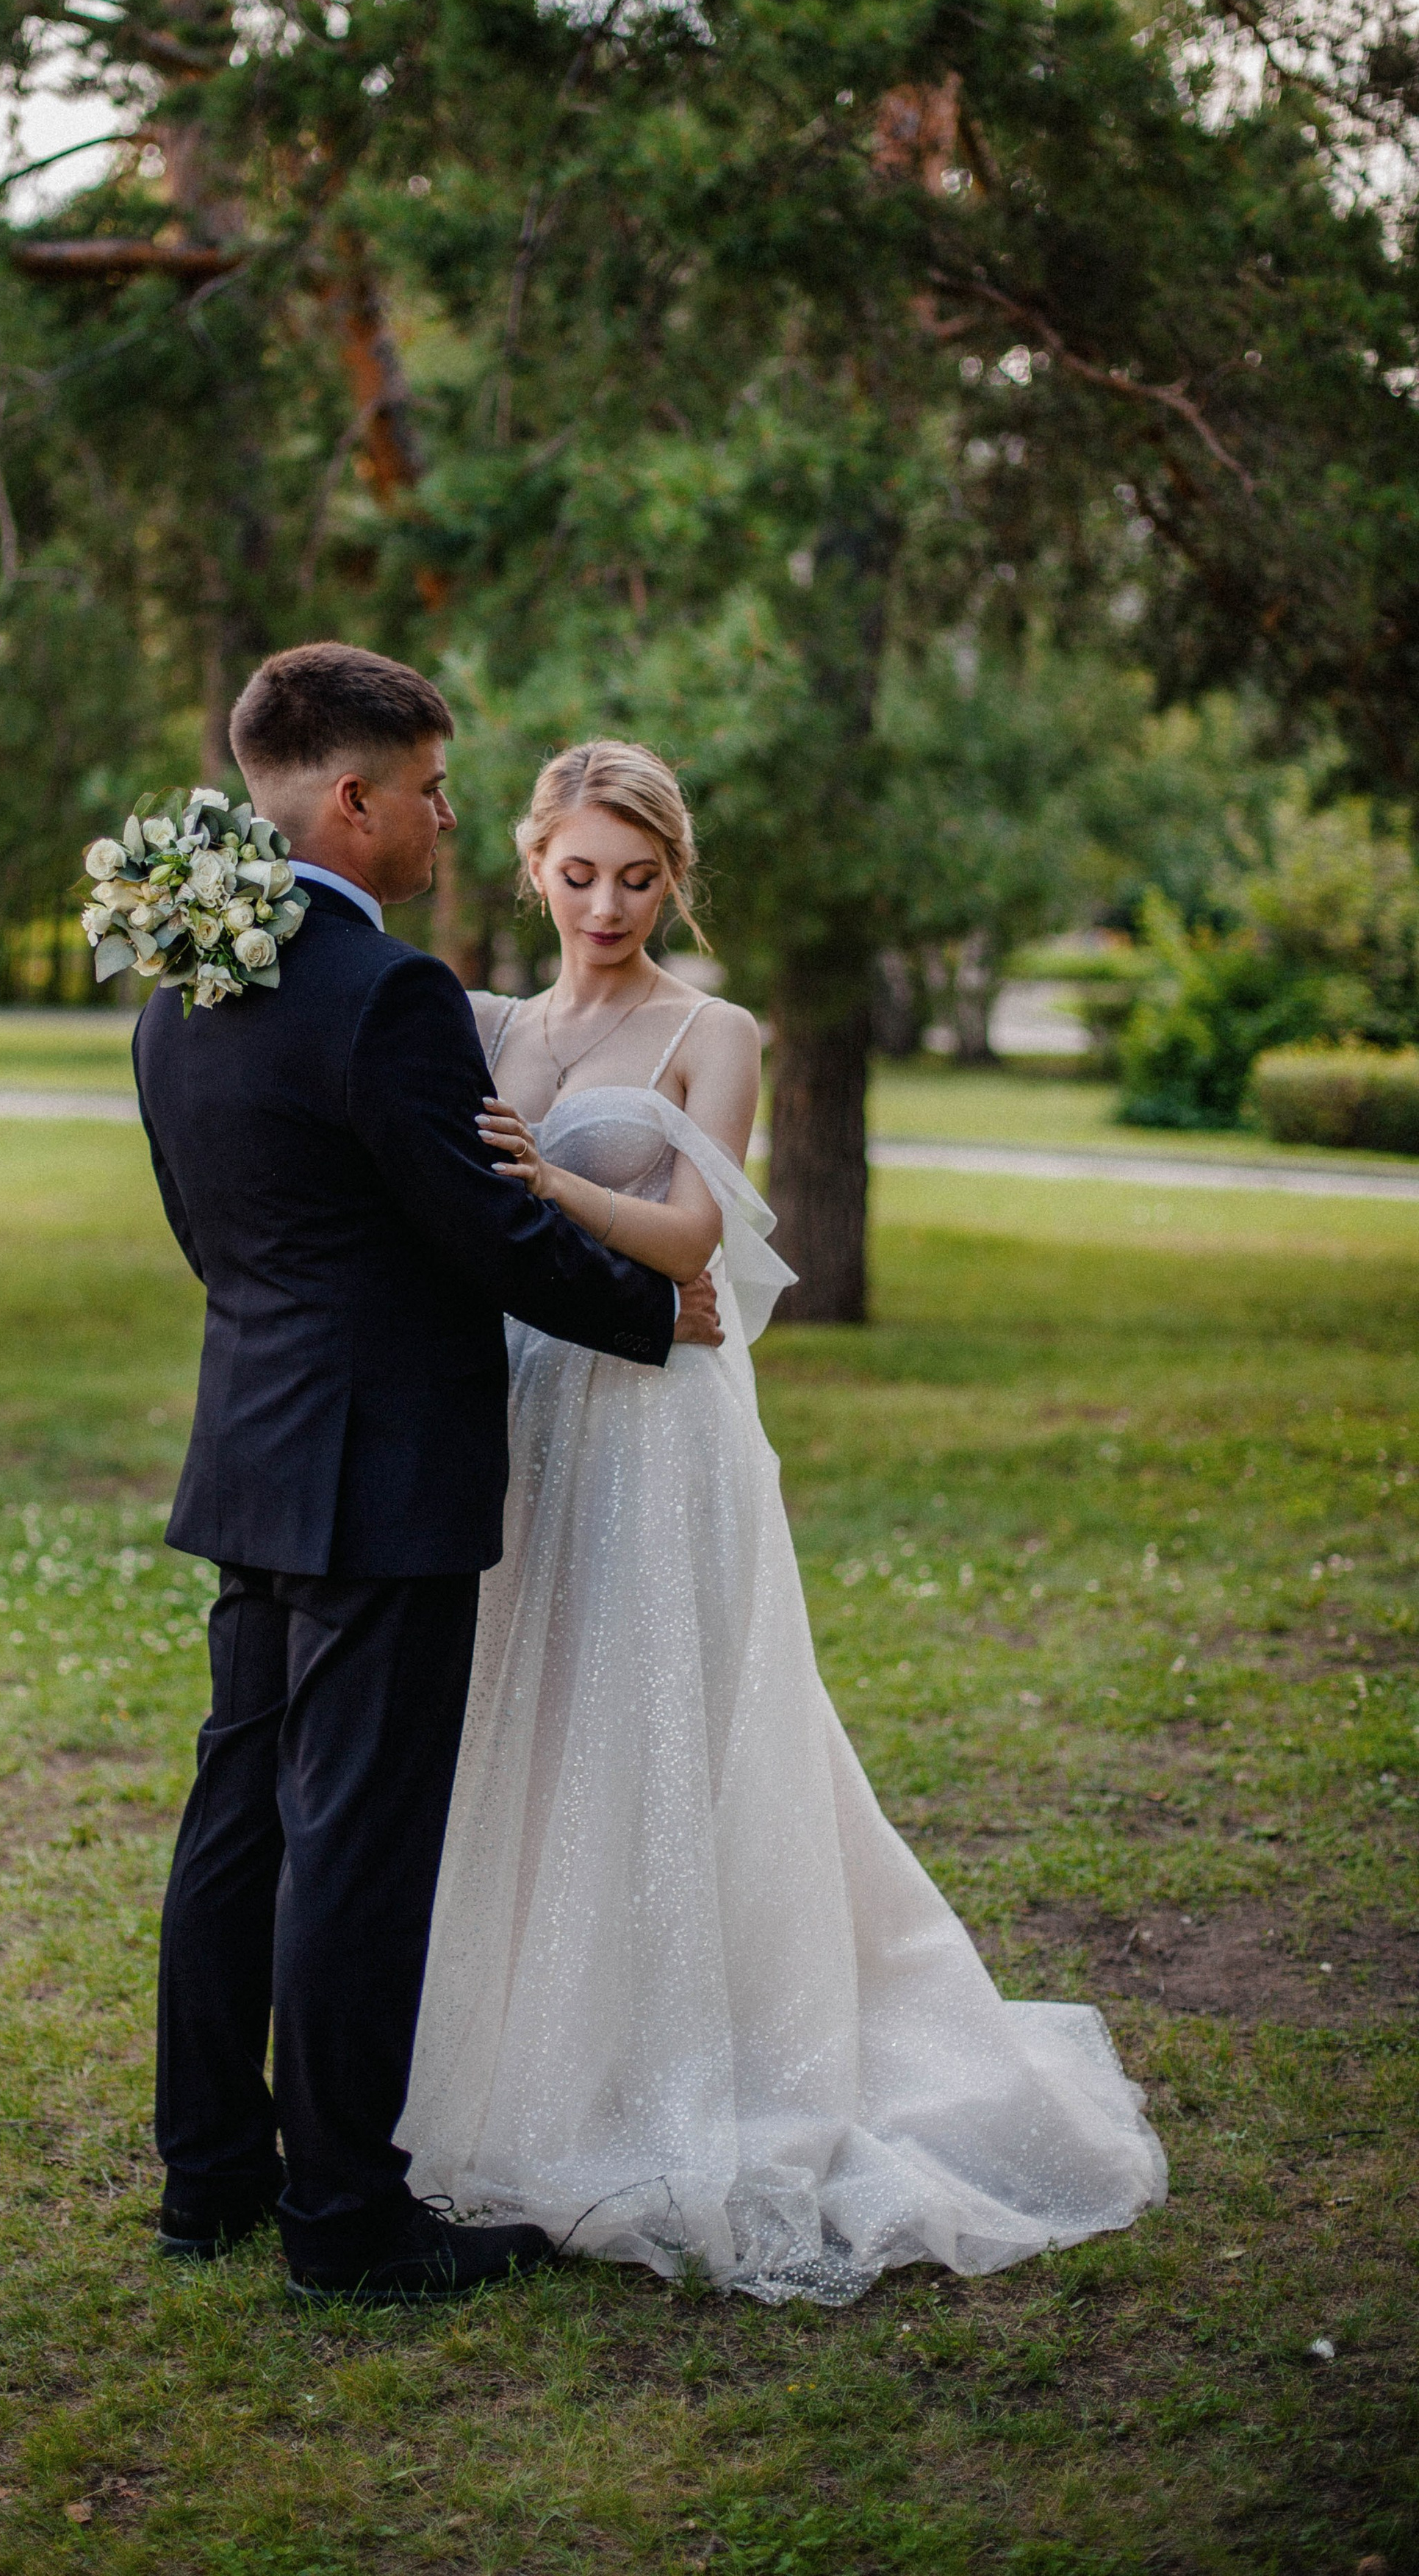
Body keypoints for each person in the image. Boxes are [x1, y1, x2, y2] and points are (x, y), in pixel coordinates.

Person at [397, 740, 1167, 2303]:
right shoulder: (482, 1023)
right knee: (533, 1721)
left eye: (637, 877)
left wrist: (543, 1183)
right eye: (578, 870)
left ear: (672, 879)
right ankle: (535, 2049)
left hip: (662, 1430)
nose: (605, 903)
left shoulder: (712, 1029)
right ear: (531, 860)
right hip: (529, 1413)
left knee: (659, 1719)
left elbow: (694, 1233)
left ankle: (696, 2054)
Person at [131, 648, 727, 2306]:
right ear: (353, 801)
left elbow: (213, 1236)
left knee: (235, 1821)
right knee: (357, 1844)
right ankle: (343, 2220)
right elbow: (480, 1225)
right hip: (381, 1471)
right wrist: (655, 1312)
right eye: (432, 791)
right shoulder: (382, 994)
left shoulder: (180, 978)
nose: (449, 819)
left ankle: (209, 2182)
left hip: (251, 1449)